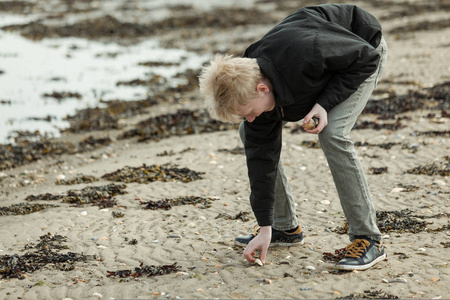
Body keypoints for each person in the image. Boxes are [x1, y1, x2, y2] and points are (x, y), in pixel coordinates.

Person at [199, 3, 388, 271]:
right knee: (249, 132)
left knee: (333, 133)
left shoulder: (306, 50)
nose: (251, 118)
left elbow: (366, 58)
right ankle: (284, 228)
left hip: (360, 52)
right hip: (314, 72)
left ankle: (368, 239)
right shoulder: (252, 85)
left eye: (250, 112)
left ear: (262, 88)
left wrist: (324, 103)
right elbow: (260, 158)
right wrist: (265, 227)